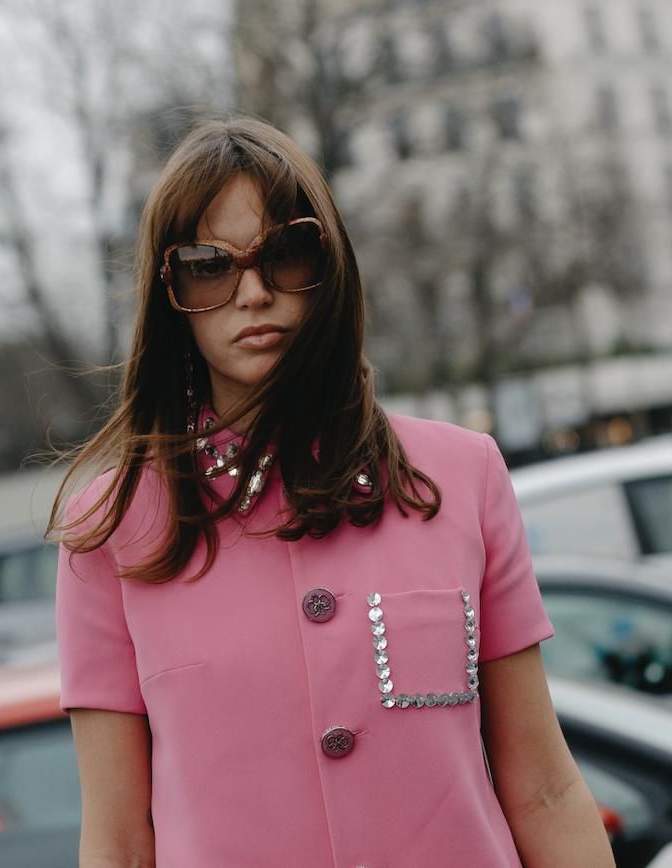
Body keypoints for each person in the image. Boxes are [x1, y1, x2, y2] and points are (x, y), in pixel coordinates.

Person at [51, 116, 615, 868]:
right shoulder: (112, 529)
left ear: (330, 265)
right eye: (208, 265)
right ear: (170, 293)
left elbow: (545, 791)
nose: (251, 292)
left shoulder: (461, 477)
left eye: (284, 254)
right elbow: (118, 845)